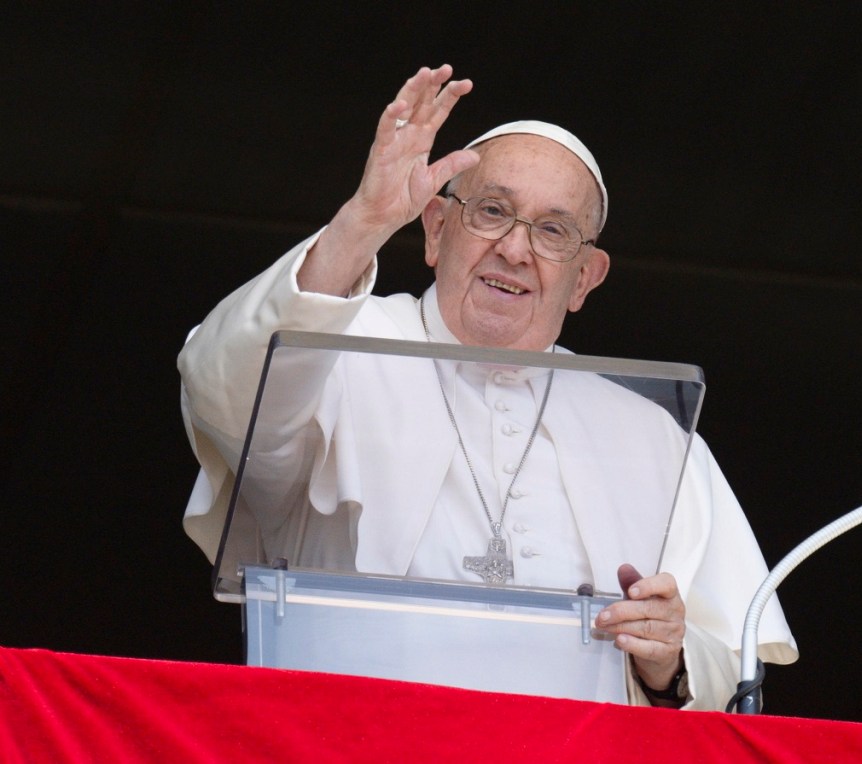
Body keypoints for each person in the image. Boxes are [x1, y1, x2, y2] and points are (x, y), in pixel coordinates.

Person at [178, 65, 797, 710]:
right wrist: (362, 222)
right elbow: (224, 388)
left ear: (585, 278)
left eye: (553, 231)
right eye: (493, 212)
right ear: (438, 228)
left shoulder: (650, 434)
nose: (515, 249)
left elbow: (737, 665)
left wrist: (669, 660)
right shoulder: (336, 347)